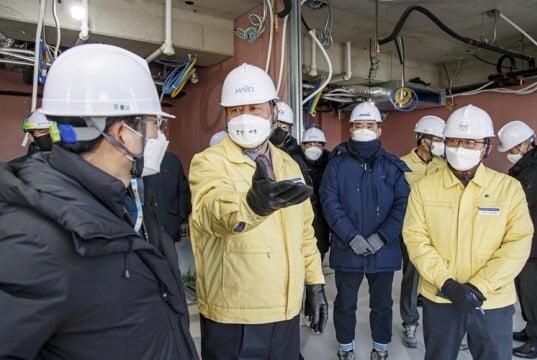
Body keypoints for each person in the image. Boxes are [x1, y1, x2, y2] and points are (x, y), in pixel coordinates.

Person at [0, 44, 198, 359]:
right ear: (122, 133)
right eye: (153, 124)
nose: (158, 135)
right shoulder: (32, 241)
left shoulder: (114, 202)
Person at [189, 63, 328, 359]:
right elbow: (211, 212)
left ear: (274, 112)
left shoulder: (288, 164)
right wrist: (252, 205)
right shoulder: (209, 162)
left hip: (286, 309)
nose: (245, 117)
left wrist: (315, 283)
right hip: (235, 314)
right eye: (235, 110)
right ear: (225, 116)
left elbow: (305, 233)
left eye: (254, 107)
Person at [403, 104, 533, 360]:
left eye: (471, 143)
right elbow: (416, 239)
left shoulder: (508, 188)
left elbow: (517, 243)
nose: (460, 148)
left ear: (487, 147)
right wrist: (448, 284)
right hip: (441, 298)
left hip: (492, 301)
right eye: (454, 141)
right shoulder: (424, 188)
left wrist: (479, 286)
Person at [319, 101, 410, 360]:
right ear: (350, 129)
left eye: (370, 125)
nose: (364, 129)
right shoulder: (336, 164)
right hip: (348, 249)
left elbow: (403, 204)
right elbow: (329, 201)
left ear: (380, 130)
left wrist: (382, 237)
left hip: (383, 249)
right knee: (345, 303)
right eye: (359, 125)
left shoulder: (392, 166)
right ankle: (345, 347)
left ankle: (380, 347)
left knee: (381, 305)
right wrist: (351, 236)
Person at [399, 115, 447, 348]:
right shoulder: (402, 164)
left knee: (442, 273)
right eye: (436, 139)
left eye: (442, 139)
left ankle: (445, 324)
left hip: (440, 229)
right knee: (412, 275)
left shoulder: (445, 165)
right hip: (412, 229)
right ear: (422, 139)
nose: (441, 144)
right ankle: (410, 322)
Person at [497, 120, 537, 358]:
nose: (510, 155)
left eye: (512, 150)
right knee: (528, 291)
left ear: (525, 144)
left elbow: (518, 204)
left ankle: (536, 339)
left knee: (532, 292)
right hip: (532, 239)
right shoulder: (530, 165)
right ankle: (532, 328)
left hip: (534, 244)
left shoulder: (532, 171)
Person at [301, 127, 331, 261]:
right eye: (311, 144)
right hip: (302, 214)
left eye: (319, 144)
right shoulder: (294, 162)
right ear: (303, 146)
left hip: (321, 217)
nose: (315, 147)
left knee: (319, 248)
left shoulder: (330, 163)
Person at [269, 101, 312, 186]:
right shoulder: (258, 151)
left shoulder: (296, 157)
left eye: (283, 127)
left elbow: (305, 188)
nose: (278, 130)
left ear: (289, 130)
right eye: (275, 125)